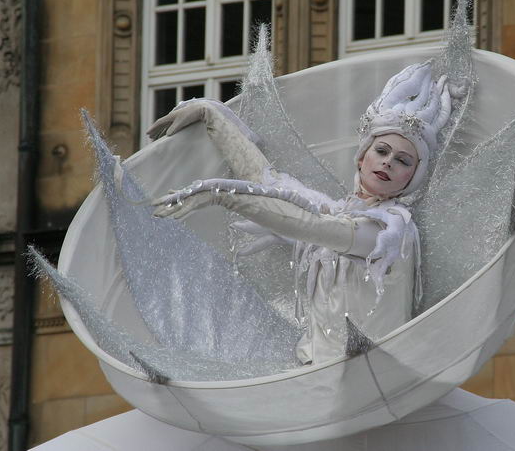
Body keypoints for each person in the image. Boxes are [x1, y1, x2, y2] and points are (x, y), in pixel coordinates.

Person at [148, 60, 454, 365]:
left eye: (403, 161)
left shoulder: (391, 231)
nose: (388, 163)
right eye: (382, 151)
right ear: (362, 158)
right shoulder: (336, 210)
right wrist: (211, 115)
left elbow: (310, 226)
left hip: (369, 379)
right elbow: (263, 179)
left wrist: (221, 194)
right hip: (311, 375)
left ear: (412, 177)